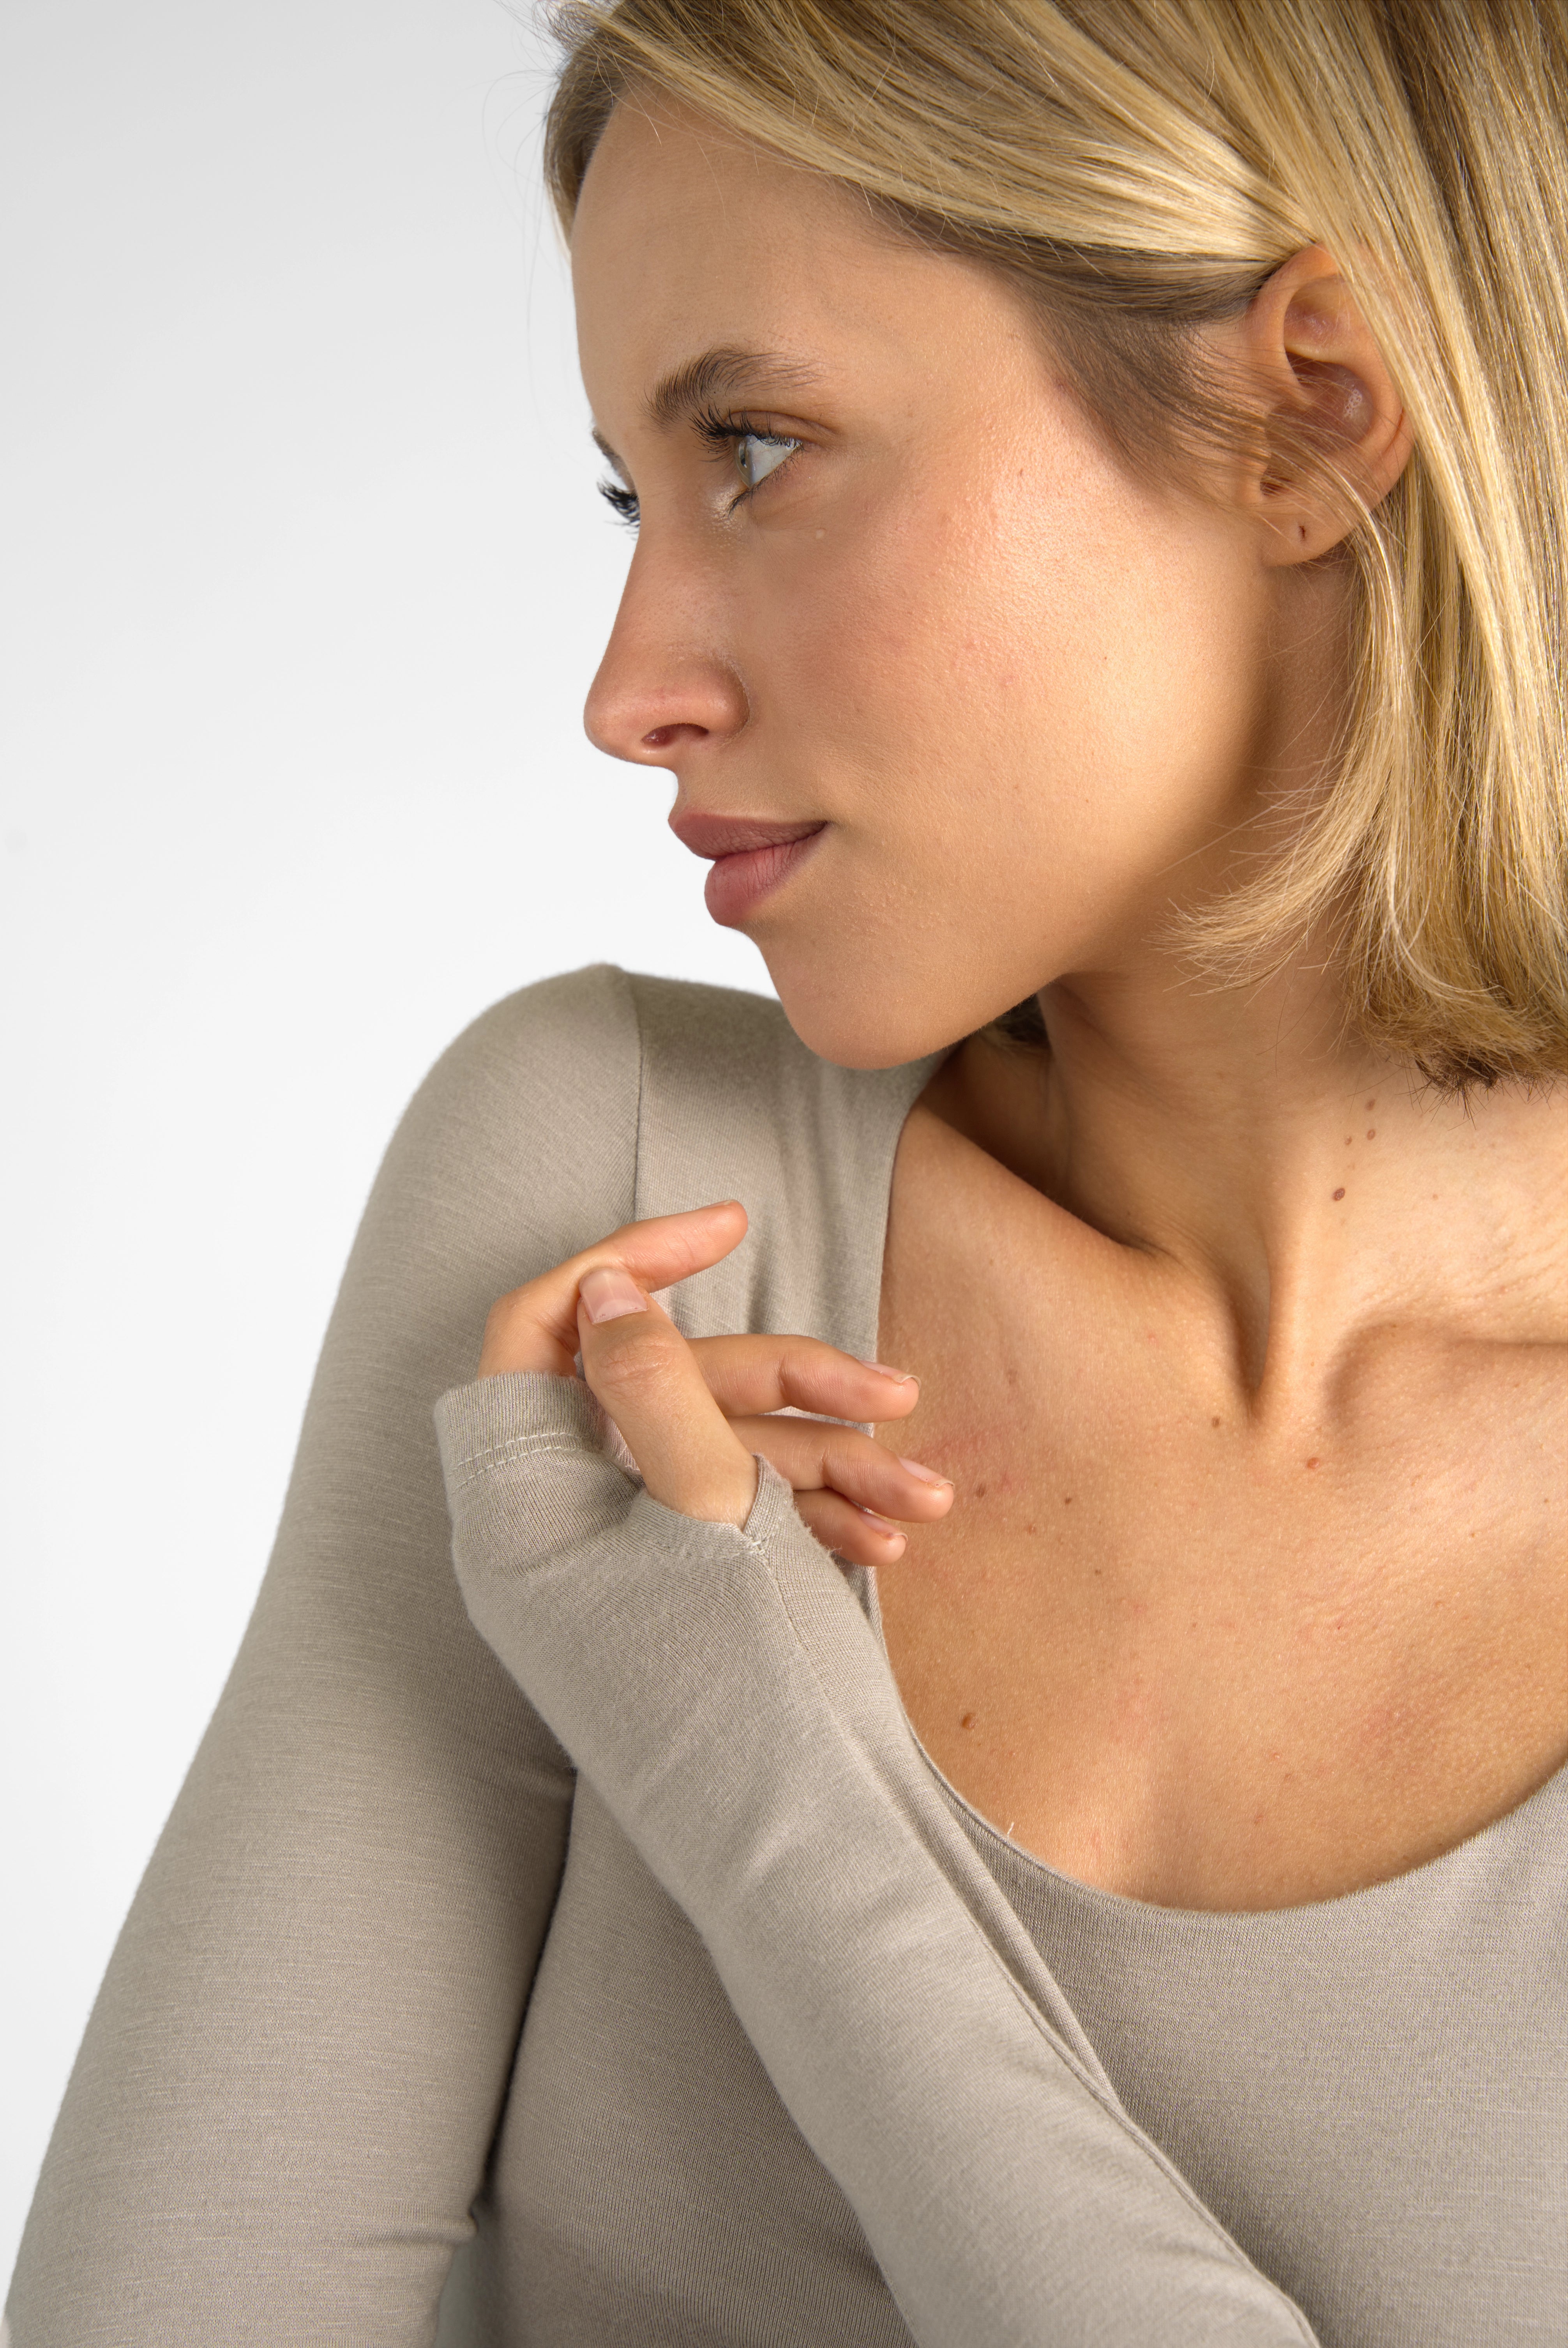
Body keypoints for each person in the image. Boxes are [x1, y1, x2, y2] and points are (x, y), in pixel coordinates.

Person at [9, 2, 1566, 2343]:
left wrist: (747, 1744)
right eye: (634, 493)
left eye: (758, 446)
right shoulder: (619, 1193)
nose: (624, 684)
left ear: (1305, 411)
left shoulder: (639, 1474)